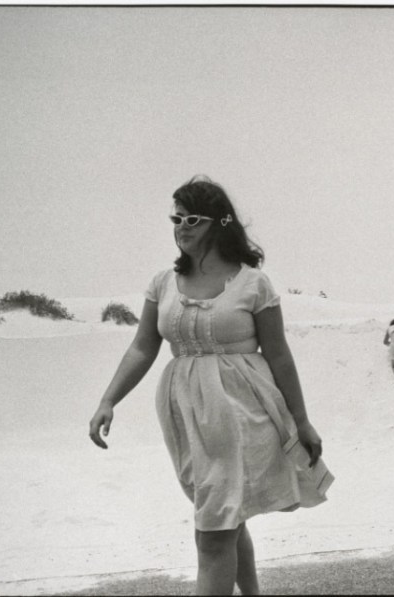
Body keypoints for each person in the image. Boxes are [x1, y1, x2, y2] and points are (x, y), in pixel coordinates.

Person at [88, 175, 332, 596]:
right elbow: (143, 347)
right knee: (225, 514)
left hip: (241, 413)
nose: (181, 228)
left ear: (219, 223)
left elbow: (279, 355)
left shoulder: (253, 283)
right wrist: (108, 400)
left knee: (214, 532)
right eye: (176, 219)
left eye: (192, 219)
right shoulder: (163, 283)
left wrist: (302, 421)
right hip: (186, 415)